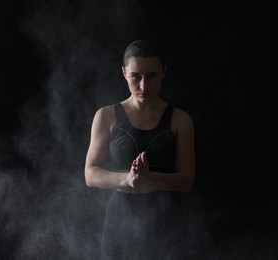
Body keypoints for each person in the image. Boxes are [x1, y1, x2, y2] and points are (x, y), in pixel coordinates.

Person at [84, 39, 196, 259]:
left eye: (152, 75)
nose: (144, 86)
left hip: (166, 220)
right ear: (124, 72)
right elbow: (91, 174)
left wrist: (149, 178)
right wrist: (129, 180)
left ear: (164, 72)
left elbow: (187, 179)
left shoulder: (180, 119)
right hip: (120, 220)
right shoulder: (106, 116)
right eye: (136, 76)